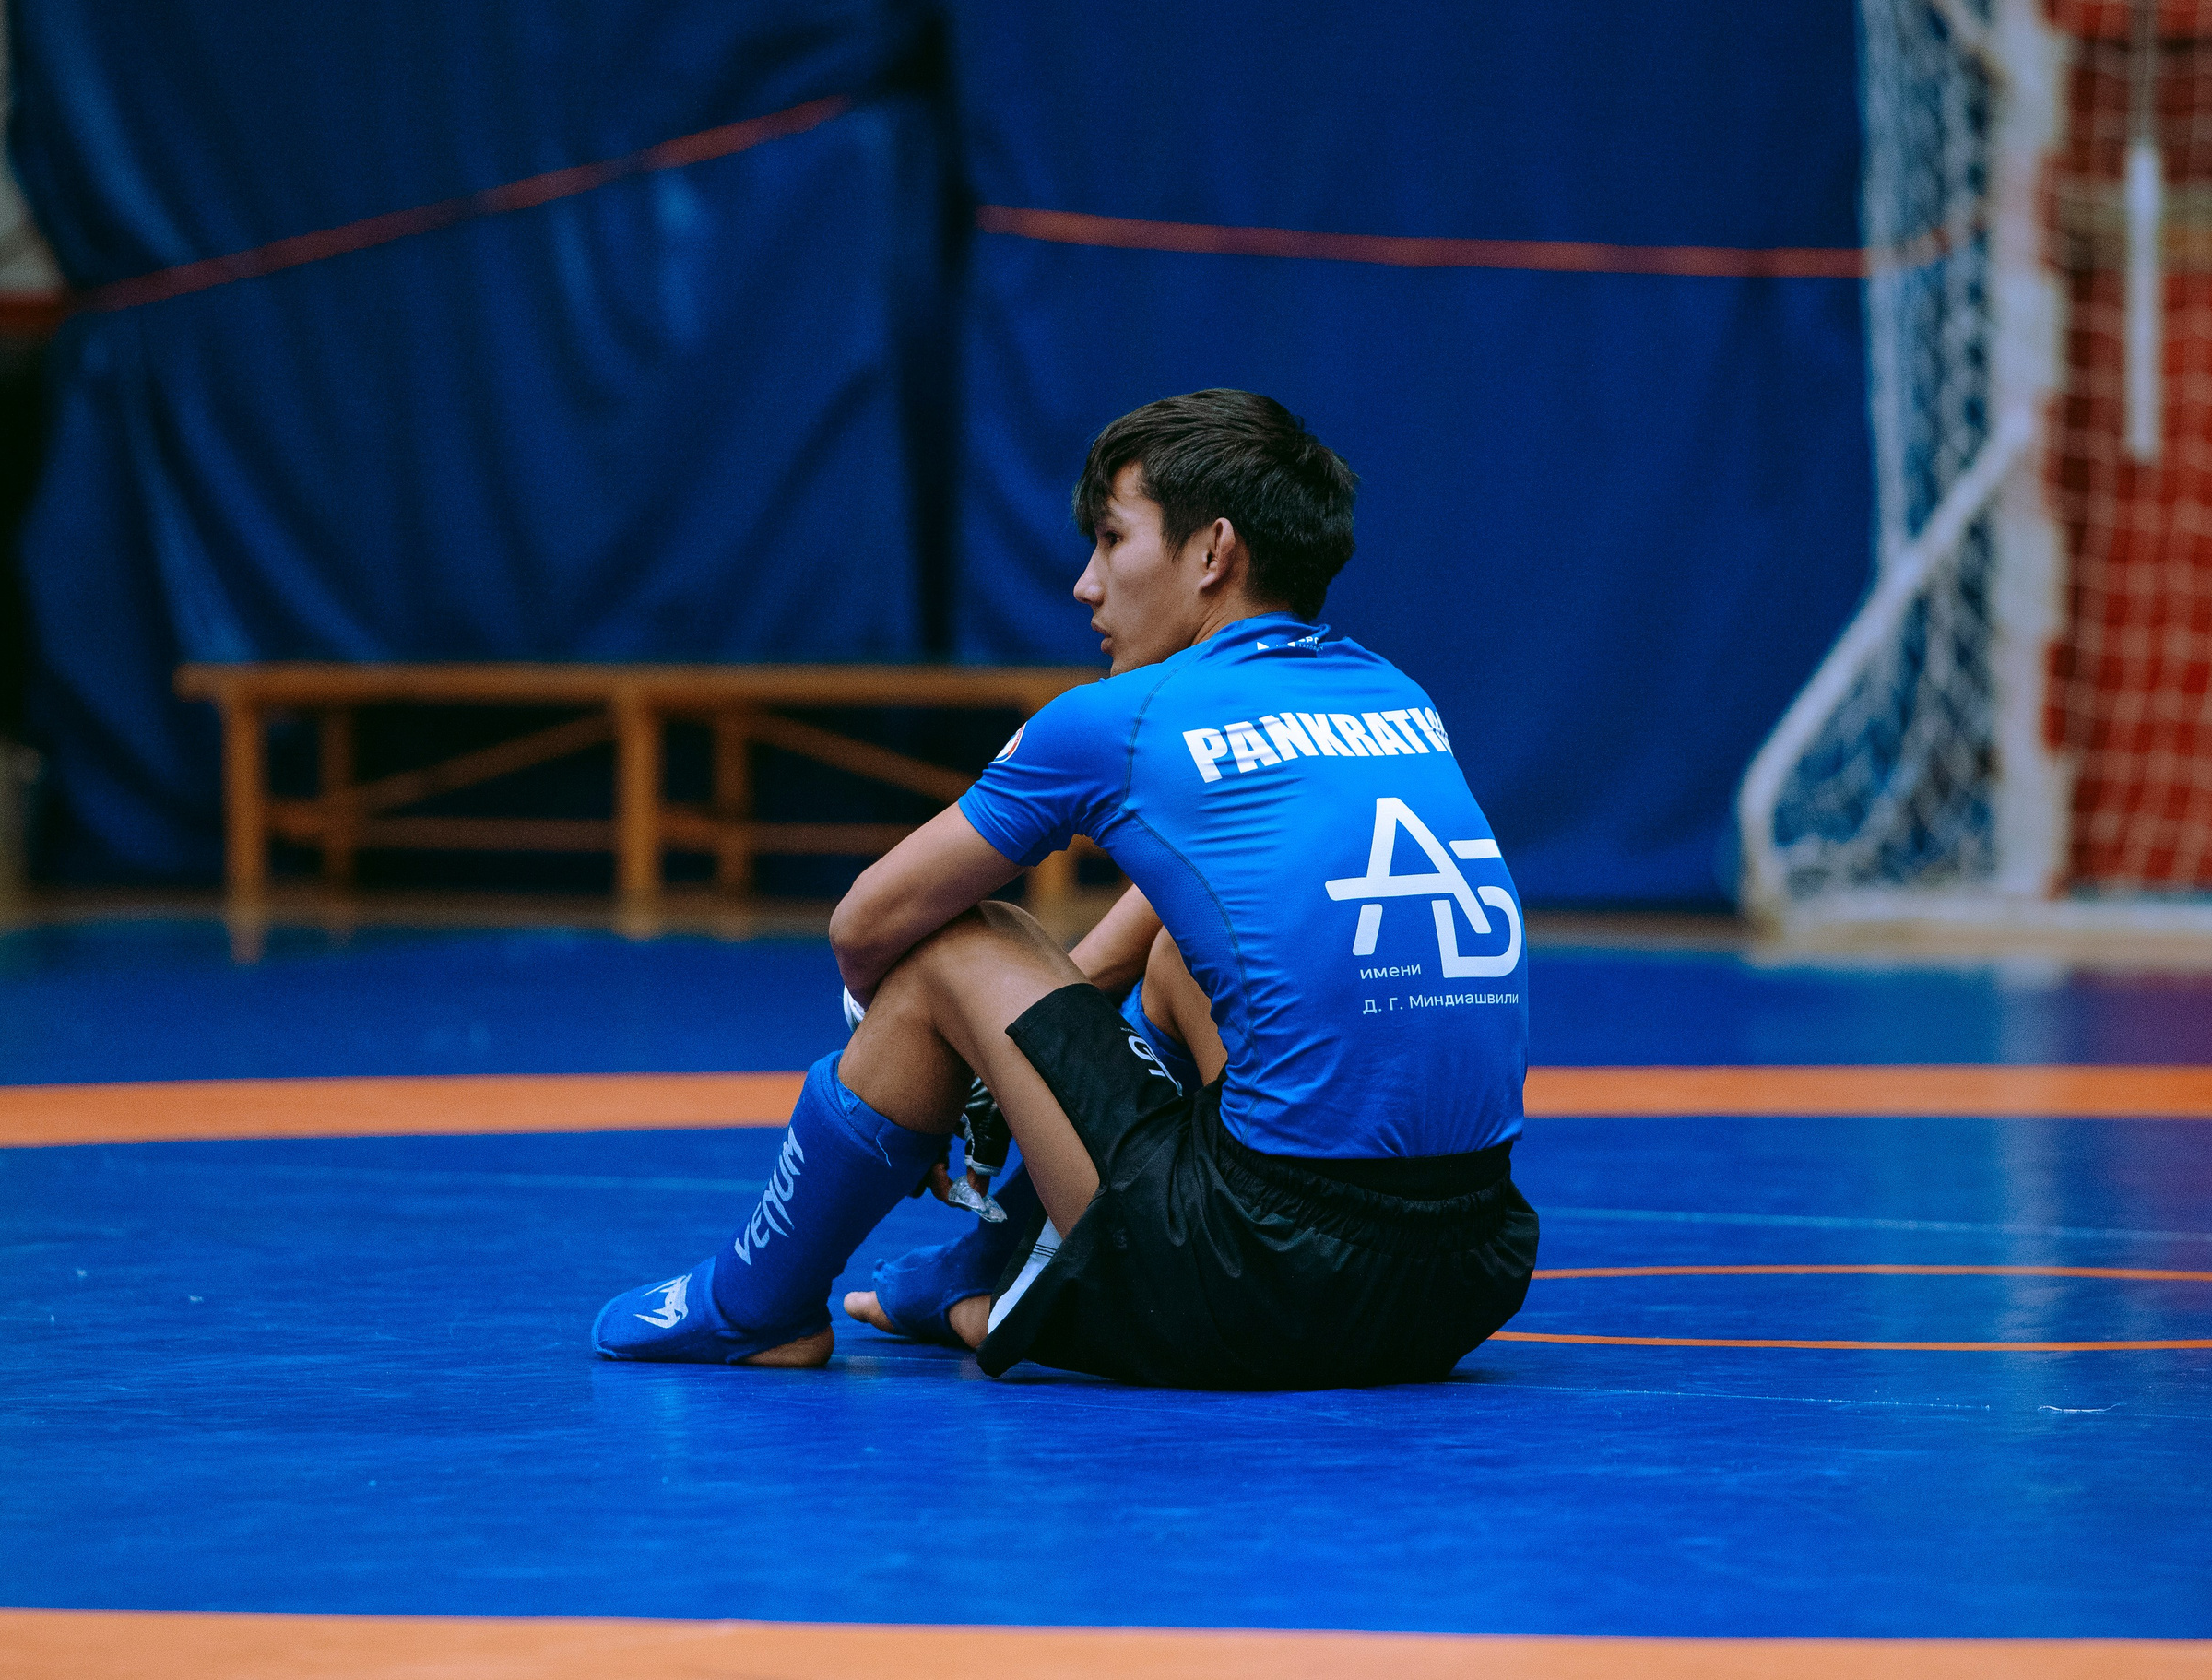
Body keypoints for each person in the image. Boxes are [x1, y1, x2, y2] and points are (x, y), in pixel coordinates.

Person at [592, 388, 1536, 1388]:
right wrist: (1018, 1061)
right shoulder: (1396, 696)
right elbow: (1188, 916)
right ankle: (989, 1267)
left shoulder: (1120, 718)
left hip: (1264, 1287)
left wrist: (926, 1062)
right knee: (1178, 950)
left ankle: (759, 1303)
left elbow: (865, 921)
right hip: (1464, 1281)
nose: (1086, 586)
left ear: (1213, 552)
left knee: (955, 939)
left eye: (1111, 540)